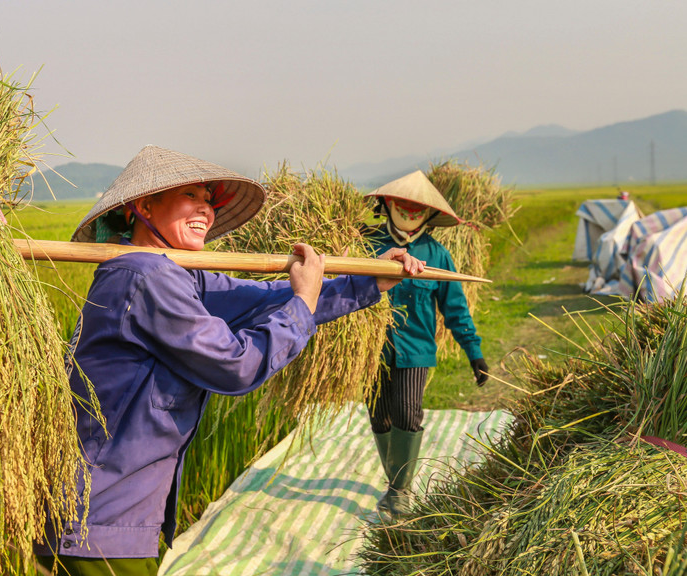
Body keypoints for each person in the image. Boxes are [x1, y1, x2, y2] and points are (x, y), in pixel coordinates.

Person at [34, 145, 424, 575]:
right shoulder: (147, 278)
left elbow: (267, 300)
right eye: (191, 197)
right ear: (143, 206)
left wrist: (368, 281)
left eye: (209, 199)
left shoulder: (177, 274)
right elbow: (236, 364)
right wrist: (304, 301)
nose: (207, 208)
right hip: (102, 520)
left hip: (112, 518)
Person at [363, 170, 489, 520]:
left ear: (429, 214)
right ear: (386, 205)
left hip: (415, 349)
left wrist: (473, 352)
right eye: (403, 205)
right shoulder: (366, 244)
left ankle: (400, 492)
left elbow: (455, 309)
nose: (411, 212)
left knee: (407, 413)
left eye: (419, 208)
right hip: (371, 351)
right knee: (380, 416)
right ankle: (394, 480)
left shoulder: (437, 255)